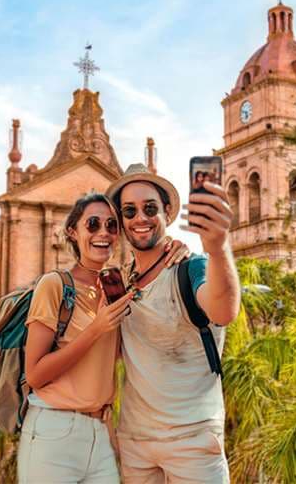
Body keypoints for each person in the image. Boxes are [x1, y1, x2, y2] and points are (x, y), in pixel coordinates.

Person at [18, 192, 189, 484]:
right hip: (54, 431)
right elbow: (34, 375)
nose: (103, 233)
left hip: (101, 431)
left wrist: (173, 252)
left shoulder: (116, 287)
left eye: (111, 226)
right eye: (93, 224)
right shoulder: (54, 285)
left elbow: (127, 351)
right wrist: (96, 329)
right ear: (73, 232)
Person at [106, 164, 240, 484]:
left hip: (192, 442)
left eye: (150, 208)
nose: (140, 217)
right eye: (129, 211)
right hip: (135, 444)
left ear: (166, 211)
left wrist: (218, 246)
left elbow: (223, 310)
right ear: (122, 221)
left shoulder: (192, 267)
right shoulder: (121, 283)